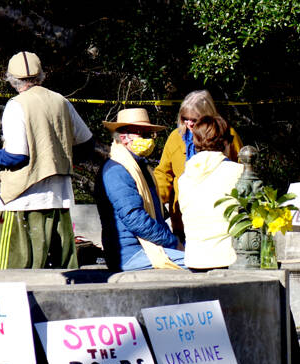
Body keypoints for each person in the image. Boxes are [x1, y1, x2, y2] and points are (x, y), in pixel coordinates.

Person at [0, 51, 93, 269]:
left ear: (11, 79)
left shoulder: (16, 105)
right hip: (59, 199)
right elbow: (87, 145)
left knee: (8, 276)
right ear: (42, 76)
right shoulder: (62, 101)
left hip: (21, 203)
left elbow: (16, 156)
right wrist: (59, 160)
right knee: (62, 276)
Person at [95, 108, 185, 271]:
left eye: (149, 134)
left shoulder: (141, 168)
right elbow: (135, 219)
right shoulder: (117, 170)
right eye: (141, 134)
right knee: (196, 263)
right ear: (123, 137)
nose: (148, 139)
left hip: (146, 248)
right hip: (130, 254)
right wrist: (173, 242)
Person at [154, 90, 243, 243]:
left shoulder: (228, 135)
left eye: (194, 119)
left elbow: (242, 171)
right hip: (184, 221)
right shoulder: (176, 138)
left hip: (222, 219)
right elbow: (163, 174)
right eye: (185, 118)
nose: (189, 123)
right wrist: (153, 200)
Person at [177, 115, 244, 269]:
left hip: (194, 260)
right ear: (226, 142)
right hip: (229, 260)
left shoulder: (184, 178)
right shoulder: (239, 172)